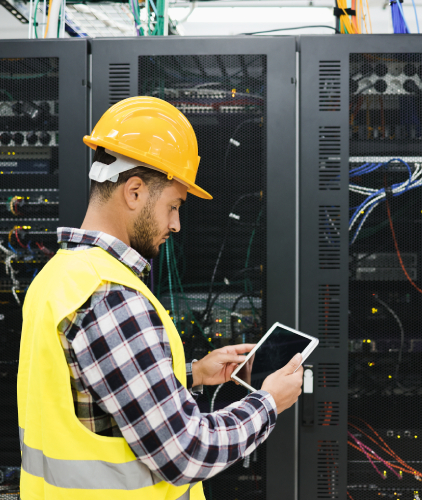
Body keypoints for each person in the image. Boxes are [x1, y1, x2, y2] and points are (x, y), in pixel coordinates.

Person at [17, 96, 303, 500]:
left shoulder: (60, 275)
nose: (177, 224)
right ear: (134, 192)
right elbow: (187, 453)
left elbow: (89, 396)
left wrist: (191, 376)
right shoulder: (109, 294)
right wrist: (269, 402)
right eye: (174, 205)